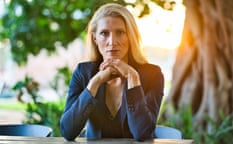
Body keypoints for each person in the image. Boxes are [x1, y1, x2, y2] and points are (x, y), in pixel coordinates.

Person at [60, 3, 164, 141]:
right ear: (94, 38)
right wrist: (94, 83)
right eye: (104, 33)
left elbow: (142, 134)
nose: (112, 41)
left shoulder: (153, 75)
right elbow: (67, 131)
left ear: (130, 37)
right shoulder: (83, 73)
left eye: (120, 33)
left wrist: (133, 78)